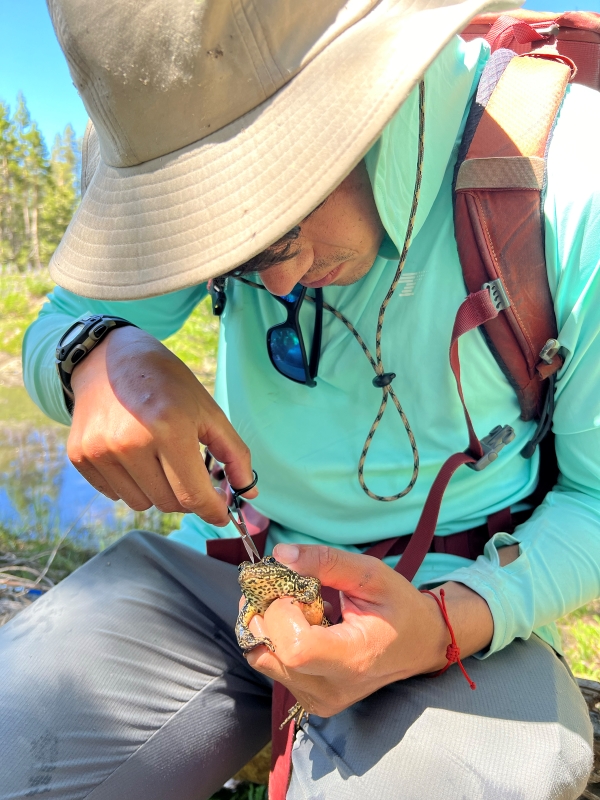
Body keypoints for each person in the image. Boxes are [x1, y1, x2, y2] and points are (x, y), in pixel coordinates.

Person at [2, 0, 599, 797]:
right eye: (228, 254)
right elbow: (57, 328)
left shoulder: (572, 185)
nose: (271, 283)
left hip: (461, 590)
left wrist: (445, 625)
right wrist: (100, 356)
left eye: (274, 232)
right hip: (231, 570)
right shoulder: (193, 123)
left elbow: (595, 502)